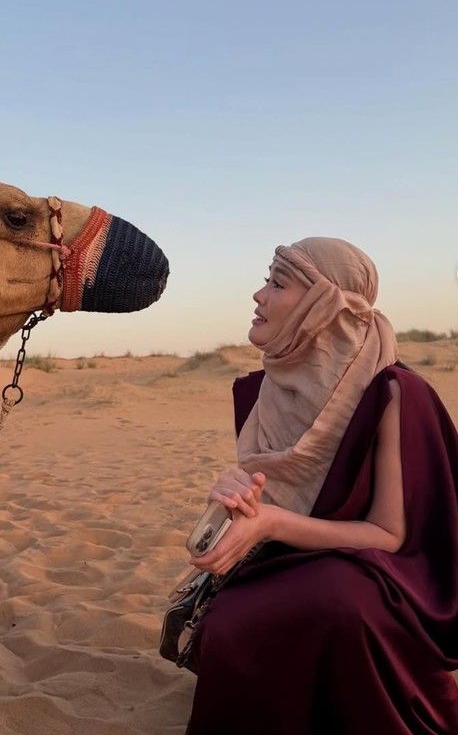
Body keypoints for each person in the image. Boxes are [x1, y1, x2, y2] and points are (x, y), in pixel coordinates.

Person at [184, 237, 458, 735]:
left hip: (378, 571)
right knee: (229, 621)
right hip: (288, 556)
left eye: (277, 283)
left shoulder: (396, 391)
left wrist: (269, 521)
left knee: (338, 603)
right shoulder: (266, 389)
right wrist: (233, 498)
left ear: (325, 306)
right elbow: (270, 497)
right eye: (267, 279)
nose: (258, 295)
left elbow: (389, 536)